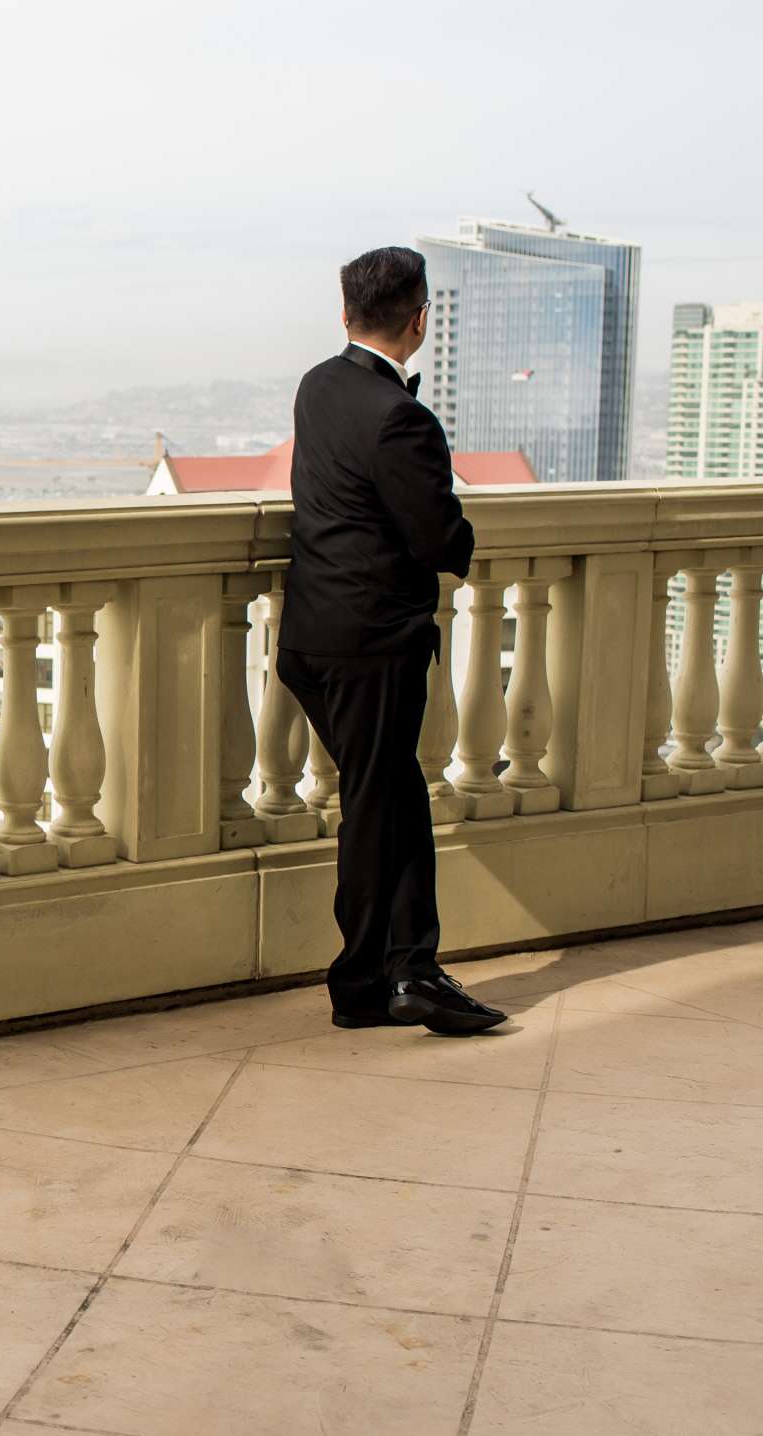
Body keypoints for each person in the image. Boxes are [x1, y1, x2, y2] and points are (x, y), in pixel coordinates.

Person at [278, 246, 506, 1036]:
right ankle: (365, 981)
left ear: (345, 315)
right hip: (374, 644)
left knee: (393, 797)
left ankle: (412, 970)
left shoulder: (317, 386)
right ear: (420, 321)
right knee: (378, 809)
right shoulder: (402, 418)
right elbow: (438, 537)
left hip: (312, 637)